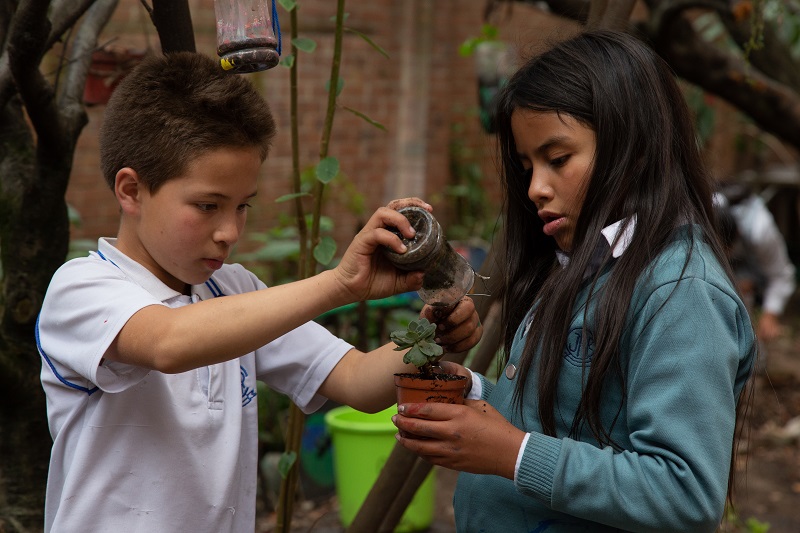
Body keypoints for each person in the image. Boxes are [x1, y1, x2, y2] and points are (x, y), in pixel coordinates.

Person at [36, 52, 480, 533]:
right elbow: (167, 342)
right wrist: (339, 284)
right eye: (208, 205)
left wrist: (433, 335)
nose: (229, 231)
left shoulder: (235, 289)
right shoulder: (81, 288)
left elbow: (357, 382)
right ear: (131, 190)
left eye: (243, 206)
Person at [392, 30, 756, 532]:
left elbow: (684, 493)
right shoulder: (580, 264)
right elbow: (568, 420)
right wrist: (480, 395)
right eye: (527, 167)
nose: (536, 188)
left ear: (636, 148)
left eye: (557, 159)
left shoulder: (681, 291)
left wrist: (512, 454)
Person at [714, 182, 796, 343]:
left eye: (726, 249)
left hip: (749, 277)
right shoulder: (698, 215)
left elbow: (781, 274)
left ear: (737, 234)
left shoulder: (760, 230)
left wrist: (770, 314)